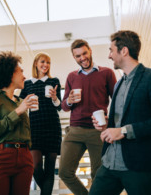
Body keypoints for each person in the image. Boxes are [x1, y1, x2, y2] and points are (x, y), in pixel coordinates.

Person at [89, 30, 151, 195]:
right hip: (109, 164)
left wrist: (122, 131)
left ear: (124, 51)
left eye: (111, 50)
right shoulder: (118, 84)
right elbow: (122, 121)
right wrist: (107, 125)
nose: (109, 56)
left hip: (140, 167)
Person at [59, 39, 117, 195]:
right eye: (78, 56)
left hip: (97, 132)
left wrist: (109, 121)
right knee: (64, 172)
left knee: (98, 176)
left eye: (84, 53)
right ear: (74, 57)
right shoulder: (71, 77)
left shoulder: (106, 73)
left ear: (90, 51)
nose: (82, 58)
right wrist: (69, 101)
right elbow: (64, 106)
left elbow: (117, 101)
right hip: (75, 130)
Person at [0, 51, 37, 195]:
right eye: (21, 71)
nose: (25, 76)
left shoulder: (19, 101)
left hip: (24, 159)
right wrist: (18, 111)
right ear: (10, 74)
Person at [19, 52, 62, 195]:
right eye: (43, 62)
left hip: (52, 126)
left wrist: (55, 98)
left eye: (48, 63)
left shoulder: (53, 81)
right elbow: (19, 104)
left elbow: (59, 106)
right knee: (35, 167)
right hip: (35, 127)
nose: (45, 65)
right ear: (36, 63)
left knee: (50, 168)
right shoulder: (27, 84)